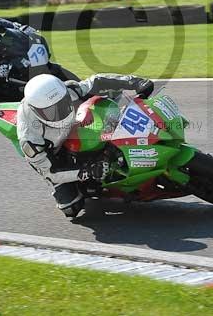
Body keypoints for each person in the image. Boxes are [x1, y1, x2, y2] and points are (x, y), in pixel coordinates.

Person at [17, 73, 154, 218]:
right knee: (71, 207)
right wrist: (86, 171)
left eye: (63, 104)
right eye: (52, 111)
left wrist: (135, 82)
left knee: (105, 102)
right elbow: (51, 173)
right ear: (37, 112)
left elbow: (98, 82)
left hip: (75, 124)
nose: (61, 112)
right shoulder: (30, 139)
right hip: (56, 154)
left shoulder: (68, 90)